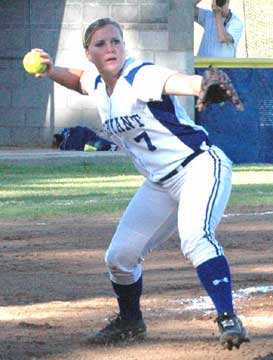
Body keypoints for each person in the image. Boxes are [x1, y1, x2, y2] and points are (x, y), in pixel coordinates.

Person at [33, 17, 249, 350]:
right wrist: (50, 71)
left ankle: (227, 317)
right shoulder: (98, 83)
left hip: (199, 167)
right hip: (160, 184)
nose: (110, 48)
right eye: (101, 44)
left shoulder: (138, 75)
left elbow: (174, 81)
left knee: (195, 237)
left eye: (116, 41)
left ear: (124, 46)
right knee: (119, 257)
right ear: (88, 54)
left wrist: (202, 85)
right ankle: (131, 322)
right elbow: (79, 80)